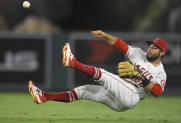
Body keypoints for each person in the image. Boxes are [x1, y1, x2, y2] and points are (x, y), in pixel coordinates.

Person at [28, 30, 168, 112]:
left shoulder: (160, 72)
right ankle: (44, 96)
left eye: (155, 48)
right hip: (117, 98)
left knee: (104, 75)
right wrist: (105, 35)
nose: (150, 48)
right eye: (151, 45)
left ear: (162, 53)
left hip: (132, 96)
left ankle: (73, 62)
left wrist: (140, 76)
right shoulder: (139, 53)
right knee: (83, 90)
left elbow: (157, 92)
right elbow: (121, 45)